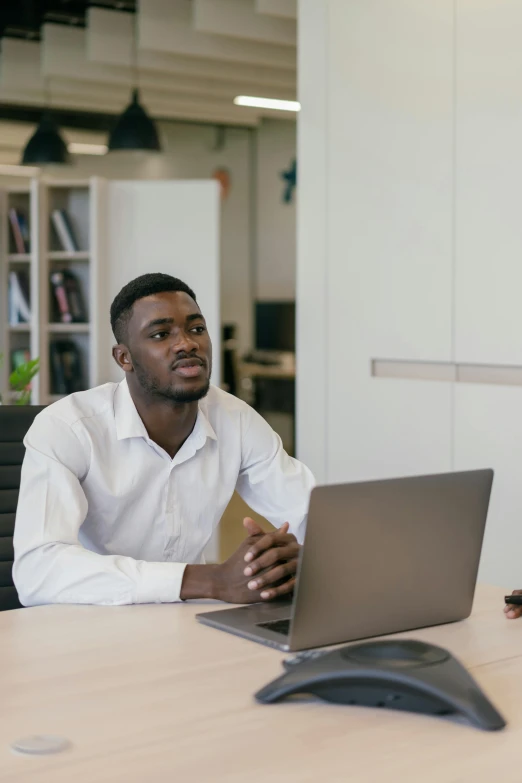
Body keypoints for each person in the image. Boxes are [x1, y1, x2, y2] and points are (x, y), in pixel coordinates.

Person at [13, 273, 314, 607]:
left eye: (196, 329)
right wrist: (210, 580)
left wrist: (291, 558)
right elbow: (37, 572)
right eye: (160, 334)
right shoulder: (68, 428)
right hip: (90, 621)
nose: (187, 343)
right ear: (124, 358)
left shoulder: (236, 419)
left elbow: (311, 515)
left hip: (188, 622)